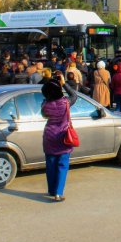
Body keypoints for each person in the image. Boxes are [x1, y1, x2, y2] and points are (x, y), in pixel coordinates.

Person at [41, 71, 78, 202]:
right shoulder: (66, 103)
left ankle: (51, 189)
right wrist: (64, 83)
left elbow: (44, 115)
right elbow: (75, 95)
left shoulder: (45, 105)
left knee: (50, 165)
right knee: (62, 164)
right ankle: (58, 192)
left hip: (49, 136)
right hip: (63, 136)